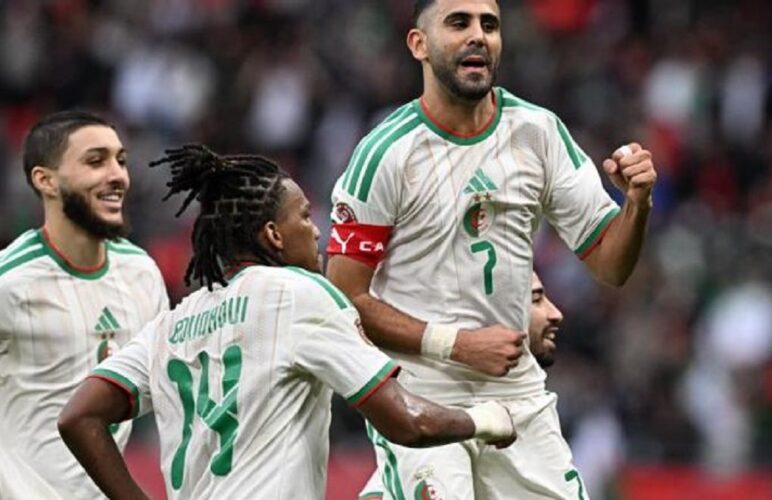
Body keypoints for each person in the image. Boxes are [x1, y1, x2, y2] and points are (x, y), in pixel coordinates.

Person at [326, 0, 657, 497]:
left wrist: (637, 203)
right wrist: (457, 345)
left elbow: (611, 265)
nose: (478, 35)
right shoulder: (385, 154)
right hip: (421, 394)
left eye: (490, 24)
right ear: (419, 44)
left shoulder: (538, 133)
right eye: (458, 23)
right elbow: (344, 301)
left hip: (517, 393)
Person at [58, 144, 517, 500]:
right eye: (304, 216)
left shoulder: (170, 325)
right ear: (273, 235)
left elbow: (79, 416)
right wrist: (485, 419)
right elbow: (407, 422)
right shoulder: (297, 293)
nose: (316, 229)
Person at [0, 110, 169, 499]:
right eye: (96, 161)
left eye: (120, 161)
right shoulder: (10, 282)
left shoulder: (142, 274)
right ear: (46, 180)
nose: (118, 175)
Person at [358, 270, 566, 499]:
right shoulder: (419, 458)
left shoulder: (536, 420)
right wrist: (483, 421)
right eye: (536, 299)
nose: (555, 314)